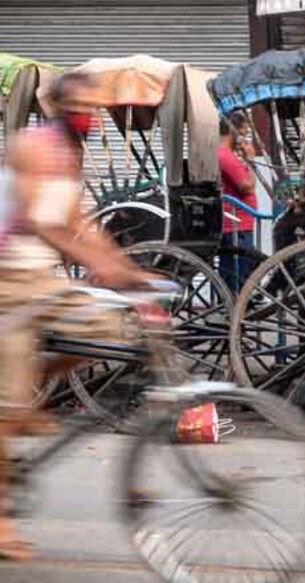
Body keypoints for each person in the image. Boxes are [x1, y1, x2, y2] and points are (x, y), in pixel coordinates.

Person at [0, 71, 154, 561]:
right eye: (81, 108)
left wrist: (128, 270)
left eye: (94, 108)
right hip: (8, 274)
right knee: (5, 402)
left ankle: (31, 401)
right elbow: (46, 224)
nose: (89, 116)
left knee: (105, 328)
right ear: (61, 109)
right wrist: (102, 266)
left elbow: (78, 224)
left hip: (44, 274)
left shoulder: (70, 155)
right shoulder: (33, 146)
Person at [217, 112, 258, 292]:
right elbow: (246, 186)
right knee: (238, 275)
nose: (243, 139)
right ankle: (236, 308)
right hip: (236, 225)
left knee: (241, 270)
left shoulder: (225, 155)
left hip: (238, 223)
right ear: (233, 131)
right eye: (243, 133)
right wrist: (251, 161)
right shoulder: (225, 156)